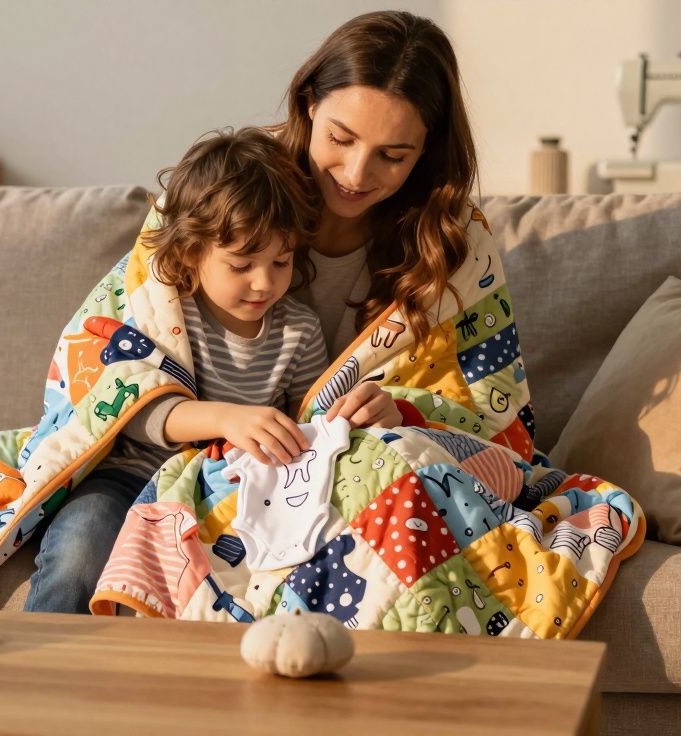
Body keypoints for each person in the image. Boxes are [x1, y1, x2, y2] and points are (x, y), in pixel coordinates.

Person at [24, 127, 399, 614]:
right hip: (128, 475)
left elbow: (310, 420)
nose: (264, 283)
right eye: (241, 265)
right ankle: (45, 659)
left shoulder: (299, 330)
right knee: (79, 550)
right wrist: (226, 418)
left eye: (281, 261)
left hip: (227, 492)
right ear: (189, 252)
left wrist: (358, 417)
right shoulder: (166, 312)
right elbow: (134, 406)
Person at [270, 10, 482, 430]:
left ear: (427, 146)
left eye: (392, 156)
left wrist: (405, 413)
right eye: (340, 138)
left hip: (371, 459)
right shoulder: (225, 188)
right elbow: (142, 353)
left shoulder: (452, 235)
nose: (355, 175)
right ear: (310, 102)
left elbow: (492, 408)